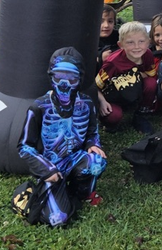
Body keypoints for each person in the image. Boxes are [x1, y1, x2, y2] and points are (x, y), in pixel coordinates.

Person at [15, 47, 107, 226]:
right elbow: (24, 146)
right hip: (51, 164)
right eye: (59, 77)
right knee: (57, 219)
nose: (64, 85)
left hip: (74, 158)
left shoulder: (87, 103)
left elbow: (92, 132)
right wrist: (46, 169)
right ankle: (51, 190)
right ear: (51, 76)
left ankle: (83, 193)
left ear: (80, 79)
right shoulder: (39, 107)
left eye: (72, 78)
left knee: (97, 162)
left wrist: (93, 144)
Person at [96, 21, 157, 131]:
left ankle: (141, 114)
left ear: (148, 42)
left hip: (133, 92)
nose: (137, 47)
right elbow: (96, 86)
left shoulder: (147, 54)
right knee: (114, 116)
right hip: (113, 97)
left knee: (151, 83)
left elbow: (151, 75)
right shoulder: (112, 63)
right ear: (121, 45)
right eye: (130, 42)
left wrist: (135, 75)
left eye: (141, 41)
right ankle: (108, 122)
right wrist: (102, 102)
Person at [97, 4, 119, 70]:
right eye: (101, 21)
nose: (106, 25)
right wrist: (100, 57)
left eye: (110, 21)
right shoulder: (88, 40)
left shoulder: (119, 36)